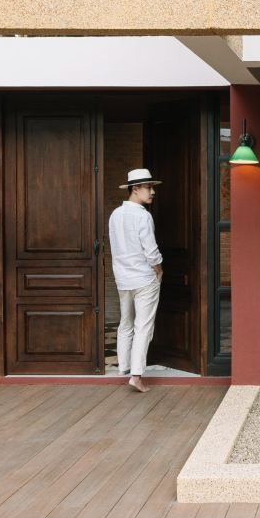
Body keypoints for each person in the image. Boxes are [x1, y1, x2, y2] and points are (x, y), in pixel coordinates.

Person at [109, 168, 164, 393]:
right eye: (148, 188)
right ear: (135, 189)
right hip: (143, 278)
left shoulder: (115, 215)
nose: (152, 192)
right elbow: (151, 251)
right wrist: (159, 269)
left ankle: (123, 368)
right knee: (143, 327)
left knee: (126, 322)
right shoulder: (143, 216)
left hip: (123, 278)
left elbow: (116, 248)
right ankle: (137, 376)